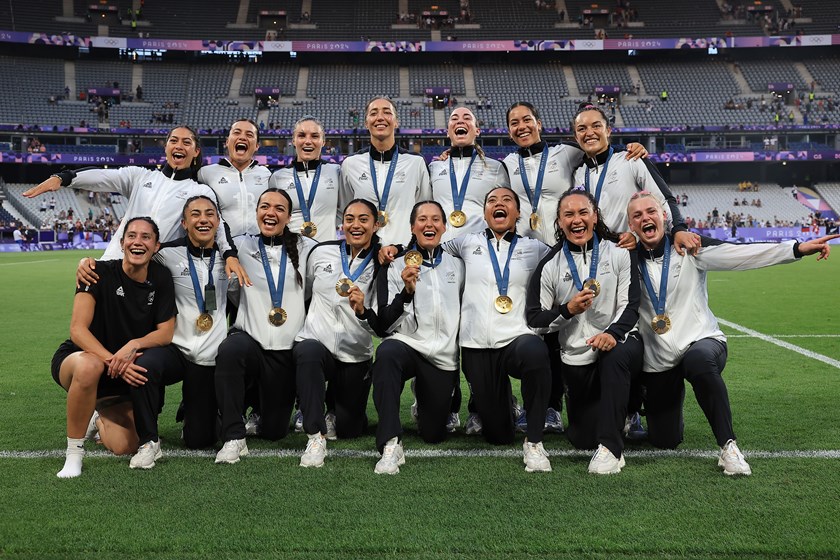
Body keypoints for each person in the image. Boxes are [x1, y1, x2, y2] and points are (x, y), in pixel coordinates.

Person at [626, 192, 839, 475]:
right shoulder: (625, 260)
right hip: (658, 359)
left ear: (664, 216)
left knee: (699, 362)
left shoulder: (692, 249)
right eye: (637, 215)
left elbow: (743, 255)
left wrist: (796, 249)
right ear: (630, 225)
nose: (645, 218)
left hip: (701, 341)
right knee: (665, 441)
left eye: (651, 211)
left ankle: (729, 447)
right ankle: (646, 408)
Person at [505, 101, 647, 434]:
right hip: (528, 258)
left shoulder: (566, 154)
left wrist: (633, 149)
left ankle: (629, 406)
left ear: (540, 123)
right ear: (509, 130)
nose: (522, 126)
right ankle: (546, 405)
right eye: (514, 122)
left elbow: (598, 150)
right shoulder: (507, 164)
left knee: (609, 316)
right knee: (542, 332)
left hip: (569, 247)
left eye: (527, 119)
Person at [571, 102, 700, 437]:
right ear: (575, 135)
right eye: (582, 128)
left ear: (608, 129)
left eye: (595, 125)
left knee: (633, 329)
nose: (589, 133)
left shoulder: (630, 159)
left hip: (629, 253)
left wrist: (680, 226)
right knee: (596, 326)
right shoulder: (576, 172)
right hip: (594, 259)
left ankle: (634, 409)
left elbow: (662, 198)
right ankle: (604, 406)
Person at [23, 126, 243, 279]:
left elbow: (218, 224)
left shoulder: (200, 191)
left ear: (195, 152)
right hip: (114, 263)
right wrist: (64, 178)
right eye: (173, 141)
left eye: (187, 142)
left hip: (155, 273)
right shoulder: (140, 176)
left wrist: (229, 254)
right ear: (165, 148)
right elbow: (102, 177)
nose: (179, 146)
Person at [527, 189, 642, 474]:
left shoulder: (619, 253)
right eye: (568, 214)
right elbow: (534, 319)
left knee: (613, 355)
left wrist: (612, 333)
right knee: (580, 439)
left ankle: (611, 448)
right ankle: (612, 421)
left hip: (620, 342)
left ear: (595, 216)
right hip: (575, 355)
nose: (576, 220)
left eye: (583, 213)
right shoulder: (550, 265)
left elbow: (631, 306)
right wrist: (567, 310)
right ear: (559, 221)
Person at [50, 217, 176, 478]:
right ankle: (74, 455)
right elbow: (78, 329)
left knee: (126, 445)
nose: (137, 242)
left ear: (156, 246)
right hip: (82, 360)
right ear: (122, 243)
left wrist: (134, 344)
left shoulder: (161, 277)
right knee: (89, 365)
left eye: (146, 237)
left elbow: (166, 333)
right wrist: (112, 360)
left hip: (121, 376)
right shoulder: (97, 272)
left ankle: (97, 417)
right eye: (131, 236)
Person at [444, 186, 553, 472]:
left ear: (518, 213)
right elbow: (427, 250)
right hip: (477, 343)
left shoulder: (535, 247)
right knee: (499, 436)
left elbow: (568, 257)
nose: (499, 204)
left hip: (518, 336)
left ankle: (534, 440)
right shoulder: (465, 242)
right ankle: (507, 407)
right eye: (491, 200)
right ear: (485, 213)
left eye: (507, 200)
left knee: (535, 352)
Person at [214, 189, 317, 464]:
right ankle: (234, 435)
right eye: (264, 206)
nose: (270, 213)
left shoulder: (307, 248)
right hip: (250, 343)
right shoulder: (240, 245)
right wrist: (228, 255)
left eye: (279, 209)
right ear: (257, 211)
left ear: (288, 216)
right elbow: (212, 229)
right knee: (230, 350)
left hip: (285, 351)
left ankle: (259, 411)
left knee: (274, 432)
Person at [127, 196, 229, 469]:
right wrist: (91, 265)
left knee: (200, 440)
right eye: (195, 214)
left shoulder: (230, 258)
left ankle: (204, 411)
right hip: (176, 348)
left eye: (210, 214)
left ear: (218, 222)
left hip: (209, 357)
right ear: (184, 223)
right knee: (143, 367)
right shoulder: (167, 254)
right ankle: (149, 441)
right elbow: (132, 261)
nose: (203, 219)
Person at [369, 201, 465, 474]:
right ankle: (390, 442)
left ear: (445, 227)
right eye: (422, 219)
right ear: (412, 227)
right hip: (408, 345)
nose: (429, 224)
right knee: (386, 354)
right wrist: (407, 293)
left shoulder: (458, 266)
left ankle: (427, 397)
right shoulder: (394, 265)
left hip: (442, 357)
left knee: (433, 434)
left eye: (436, 219)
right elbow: (385, 325)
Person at [293, 199, 382, 468]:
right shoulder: (321, 252)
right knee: (308, 351)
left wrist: (363, 310)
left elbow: (380, 323)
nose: (356, 225)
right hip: (317, 342)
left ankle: (337, 409)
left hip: (355, 353)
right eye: (350, 219)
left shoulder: (382, 262)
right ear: (341, 223)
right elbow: (305, 292)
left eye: (364, 219)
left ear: (376, 224)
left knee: (350, 428)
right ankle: (315, 433)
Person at [339, 96, 431, 246]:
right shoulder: (350, 164)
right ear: (366, 123)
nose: (380, 118)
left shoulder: (416, 163)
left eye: (387, 112)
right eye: (373, 113)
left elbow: (424, 211)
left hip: (404, 253)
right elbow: (346, 208)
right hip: (364, 254)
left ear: (396, 122)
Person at [430, 107, 509, 241]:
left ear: (477, 131)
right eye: (454, 119)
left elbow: (507, 212)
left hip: (481, 249)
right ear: (447, 133)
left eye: (467, 118)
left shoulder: (495, 167)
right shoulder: (434, 168)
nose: (460, 122)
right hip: (440, 248)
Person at [268, 116, 341, 242]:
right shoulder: (278, 177)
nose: (308, 141)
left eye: (314, 136)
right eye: (301, 136)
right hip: (292, 254)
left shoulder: (336, 172)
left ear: (323, 141)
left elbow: (344, 210)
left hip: (327, 252)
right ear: (294, 141)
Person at [197, 119, 270, 238]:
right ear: (227, 142)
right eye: (237, 132)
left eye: (249, 134)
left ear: (257, 146)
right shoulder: (205, 173)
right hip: (223, 251)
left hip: (258, 250)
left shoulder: (266, 174)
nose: (242, 137)